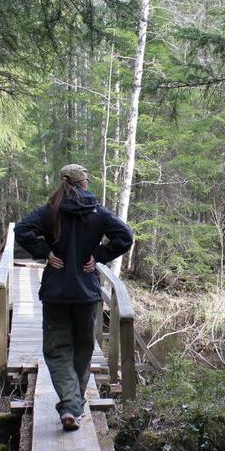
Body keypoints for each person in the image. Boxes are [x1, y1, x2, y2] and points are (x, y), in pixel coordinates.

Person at [14, 164, 133, 431]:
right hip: (86, 294)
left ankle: (70, 405)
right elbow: (125, 237)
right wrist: (98, 256)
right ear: (84, 184)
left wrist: (45, 252)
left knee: (57, 351)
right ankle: (73, 408)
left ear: (63, 182)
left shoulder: (50, 211)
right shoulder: (97, 212)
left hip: (56, 293)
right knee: (83, 350)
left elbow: (22, 230)